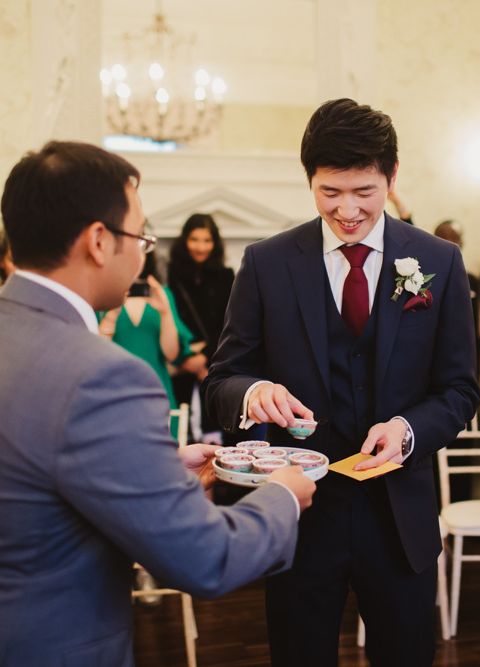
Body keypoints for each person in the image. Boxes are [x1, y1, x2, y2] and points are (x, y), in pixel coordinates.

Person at [0, 141, 315, 666]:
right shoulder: (103, 375)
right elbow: (205, 560)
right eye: (140, 236)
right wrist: (281, 495)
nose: (145, 252)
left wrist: (153, 474)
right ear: (99, 241)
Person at [204, 98, 480, 667]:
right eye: (330, 192)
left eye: (364, 192)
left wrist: (407, 429)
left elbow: (459, 390)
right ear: (309, 180)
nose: (348, 210)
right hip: (299, 512)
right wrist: (254, 393)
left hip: (399, 516)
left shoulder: (438, 261)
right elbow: (223, 380)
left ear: (392, 177)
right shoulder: (267, 263)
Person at [99, 250, 196, 414]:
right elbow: (96, 355)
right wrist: (111, 316)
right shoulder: (103, 292)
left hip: (156, 391)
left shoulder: (162, 294)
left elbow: (172, 355)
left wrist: (165, 313)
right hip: (113, 392)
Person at [168, 213, 235, 439]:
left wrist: (204, 359)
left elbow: (230, 323)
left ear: (215, 243)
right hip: (180, 359)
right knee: (180, 424)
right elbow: (170, 318)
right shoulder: (171, 275)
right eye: (195, 239)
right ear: (185, 240)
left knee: (216, 427)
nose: (201, 247)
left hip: (213, 361)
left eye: (207, 240)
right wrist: (187, 356)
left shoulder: (226, 277)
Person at [433, 219, 480, 376]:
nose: (449, 242)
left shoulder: (472, 280)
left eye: (455, 238)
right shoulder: (425, 276)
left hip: (466, 349)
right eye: (443, 236)